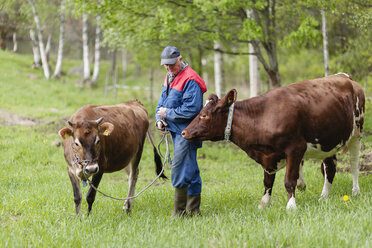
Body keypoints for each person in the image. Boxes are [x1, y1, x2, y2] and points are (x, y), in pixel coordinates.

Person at [155, 46, 207, 216]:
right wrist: (159, 119)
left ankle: (180, 212)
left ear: (180, 59)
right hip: (175, 130)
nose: (168, 68)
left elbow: (192, 109)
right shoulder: (170, 76)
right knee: (190, 167)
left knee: (180, 168)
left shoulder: (191, 79)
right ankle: (193, 210)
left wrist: (167, 114)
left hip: (187, 132)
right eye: (165, 65)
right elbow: (162, 101)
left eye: (171, 64)